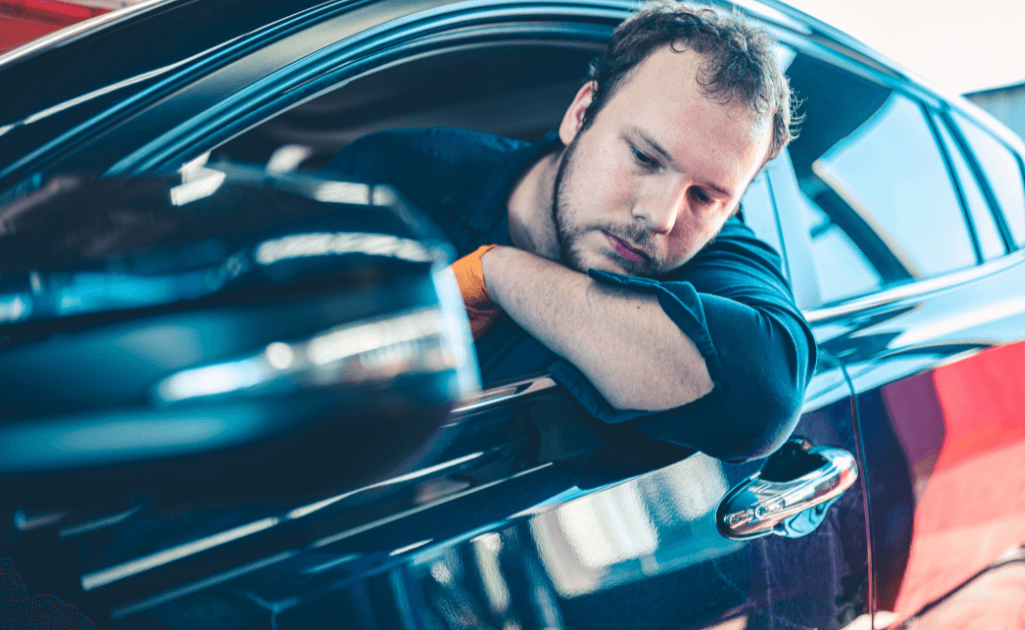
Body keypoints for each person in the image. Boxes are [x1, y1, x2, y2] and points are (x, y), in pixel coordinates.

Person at [321, 1, 815, 462]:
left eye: (705, 197)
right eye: (644, 157)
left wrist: (497, 273)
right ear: (581, 115)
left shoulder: (720, 250)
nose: (660, 218)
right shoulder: (389, 179)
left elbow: (764, 398)